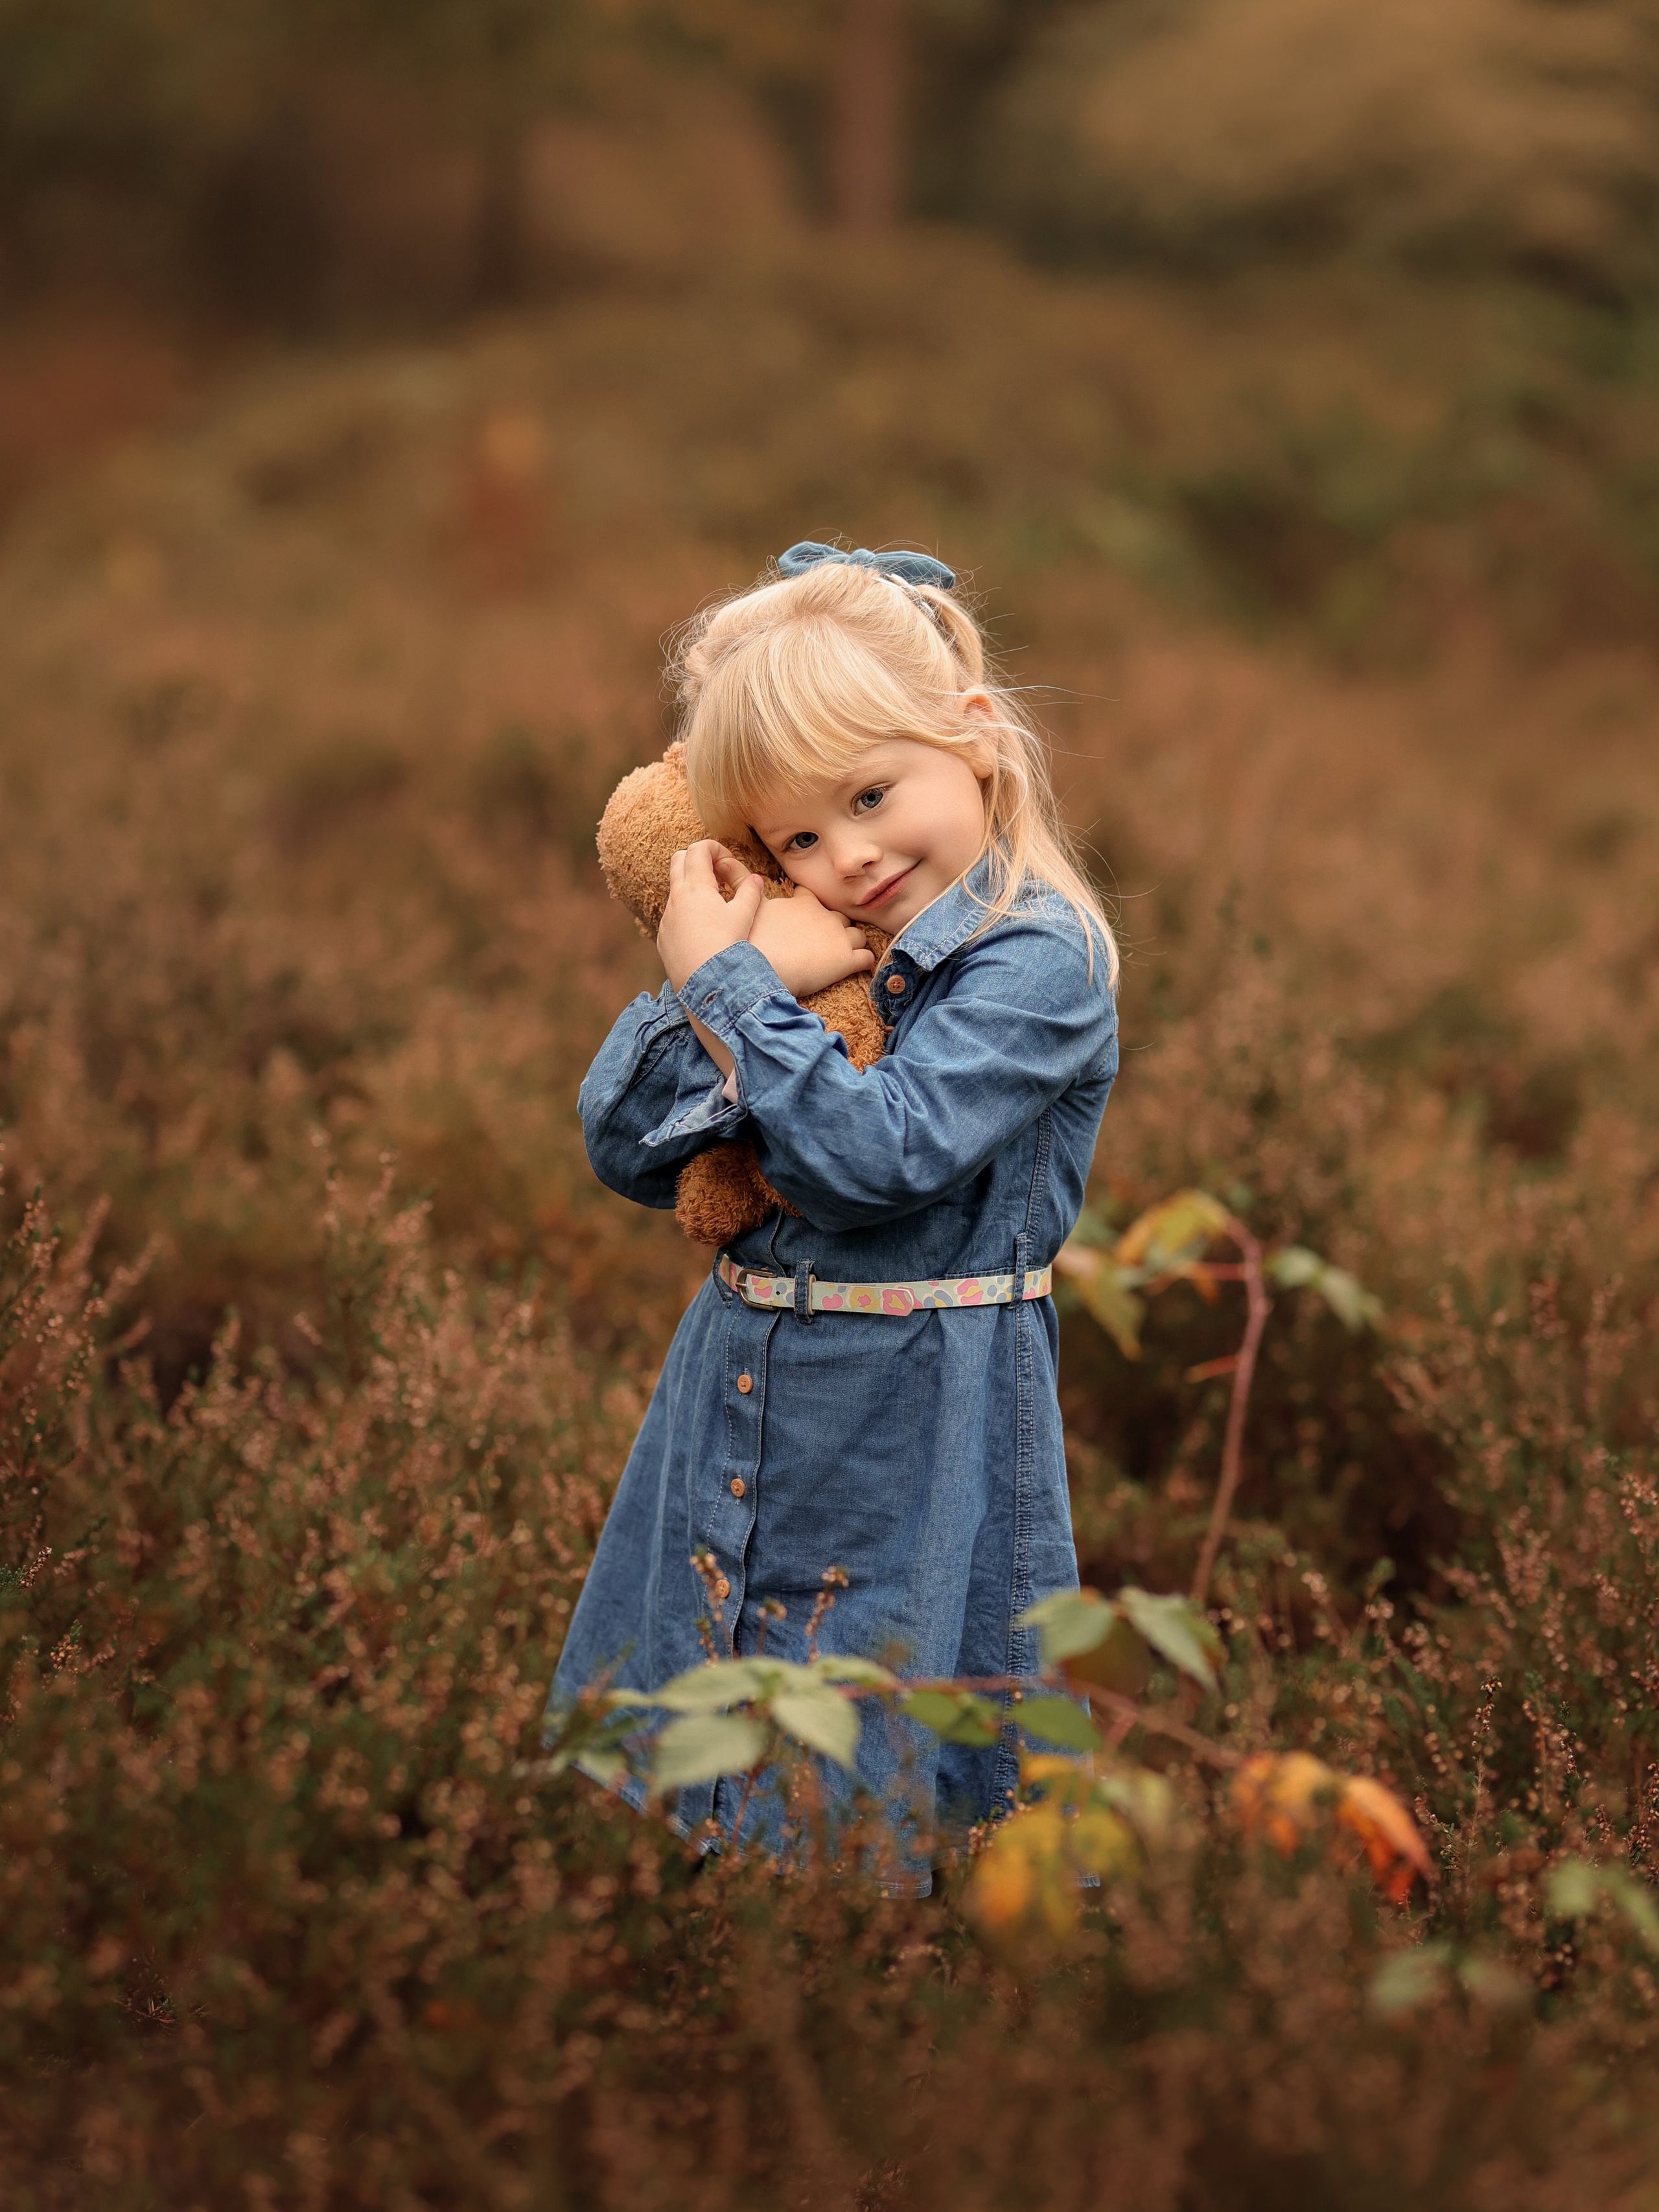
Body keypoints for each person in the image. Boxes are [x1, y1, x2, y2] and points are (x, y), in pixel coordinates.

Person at [549, 541, 1120, 1885]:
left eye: (871, 795)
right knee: (700, 1728)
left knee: (879, 1766)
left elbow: (873, 1157)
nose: (848, 857)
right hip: (736, 1387)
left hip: (916, 1423)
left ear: (971, 742)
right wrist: (738, 970)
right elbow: (625, 1147)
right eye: (796, 835)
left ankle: (876, 2023)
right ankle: (704, 1986)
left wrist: (731, 988)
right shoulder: (803, 952)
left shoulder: (1037, 964)